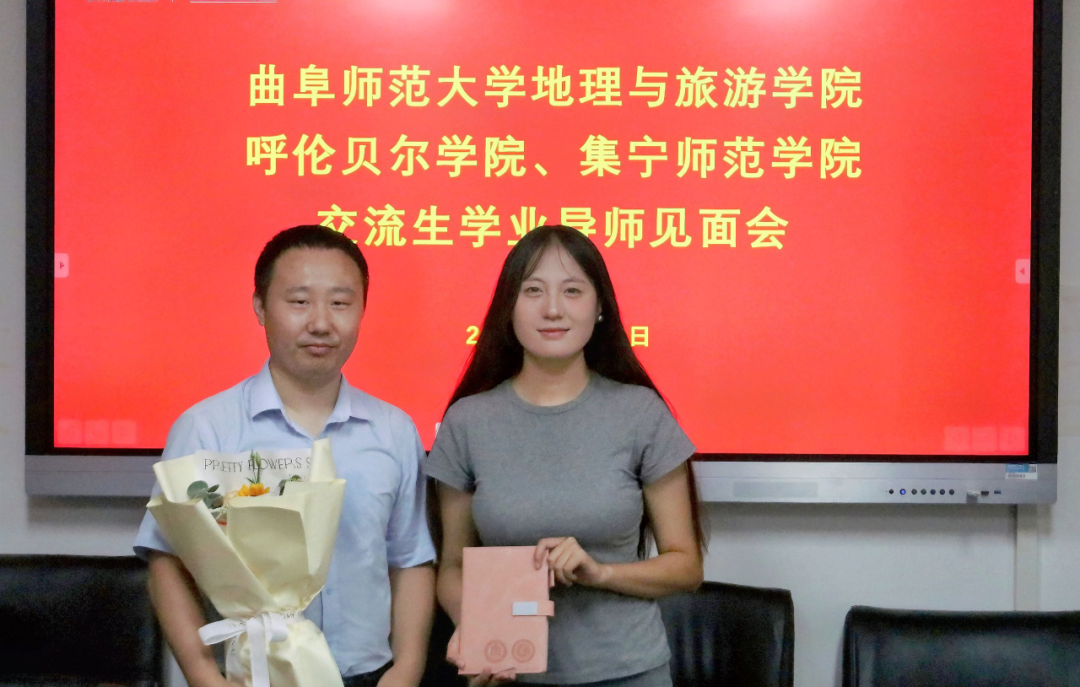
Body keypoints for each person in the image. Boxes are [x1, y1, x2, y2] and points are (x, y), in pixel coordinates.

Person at [133, 225, 436, 687]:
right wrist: (203, 674)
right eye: (299, 301)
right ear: (260, 307)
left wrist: (407, 669)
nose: (321, 322)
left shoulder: (393, 430)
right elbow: (166, 561)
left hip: (369, 675)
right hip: (254, 676)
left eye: (340, 303)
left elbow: (410, 557)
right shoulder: (207, 427)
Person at [424, 225, 706, 687]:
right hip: (511, 674)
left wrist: (600, 572)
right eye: (533, 291)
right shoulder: (468, 421)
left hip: (628, 673)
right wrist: (475, 629)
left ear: (600, 308)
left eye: (572, 291)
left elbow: (686, 566)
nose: (552, 308)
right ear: (508, 308)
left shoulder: (641, 413)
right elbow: (453, 566)